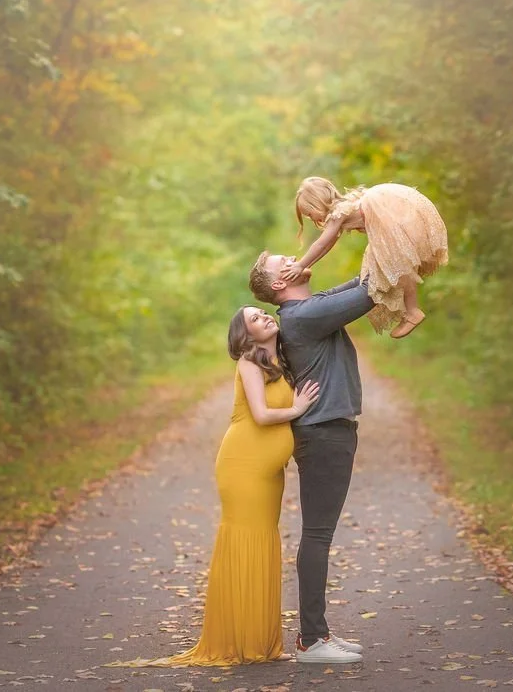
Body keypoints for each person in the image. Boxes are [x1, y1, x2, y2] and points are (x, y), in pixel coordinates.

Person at [107, 306, 319, 667]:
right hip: (243, 465)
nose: (265, 317)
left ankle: (261, 643)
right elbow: (261, 415)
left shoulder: (280, 362)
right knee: (245, 541)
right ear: (246, 335)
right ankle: (238, 642)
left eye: (264, 312)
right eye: (255, 318)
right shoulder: (249, 363)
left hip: (269, 472)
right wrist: (297, 408)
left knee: (263, 542)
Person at [248, 251, 372, 664]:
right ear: (279, 283)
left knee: (319, 533)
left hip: (329, 431)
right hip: (324, 434)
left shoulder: (309, 308)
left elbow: (363, 279)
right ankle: (312, 640)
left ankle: (317, 634)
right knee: (318, 534)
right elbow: (374, 289)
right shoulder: (303, 316)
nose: (296, 256)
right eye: (284, 259)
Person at [284, 176, 449, 339]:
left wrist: (300, 265)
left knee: (397, 265)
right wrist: (306, 266)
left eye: (309, 213)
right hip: (393, 221)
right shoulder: (343, 209)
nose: (311, 218)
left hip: (391, 222)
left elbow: (321, 244)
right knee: (396, 266)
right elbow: (327, 246)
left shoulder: (338, 213)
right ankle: (411, 310)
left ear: (317, 203)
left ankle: (412, 311)